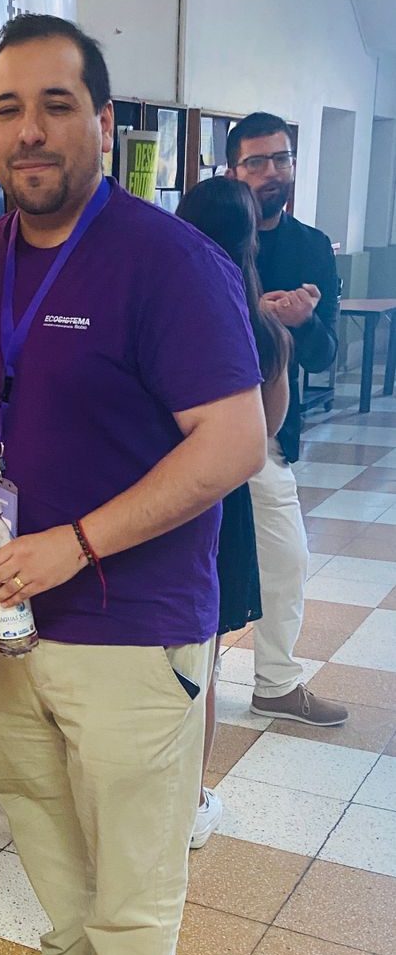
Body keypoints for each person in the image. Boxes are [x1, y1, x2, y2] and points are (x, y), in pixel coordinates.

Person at [0, 16, 266, 955]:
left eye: (56, 105)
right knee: (37, 812)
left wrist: (78, 544)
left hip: (130, 623)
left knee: (134, 857)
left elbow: (233, 441)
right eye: (9, 108)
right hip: (11, 615)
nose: (30, 131)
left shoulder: (164, 259)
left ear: (102, 120)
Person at [177, 177, 291, 848]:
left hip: (158, 499)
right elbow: (263, 434)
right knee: (204, 664)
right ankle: (190, 802)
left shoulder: (161, 314)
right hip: (225, 505)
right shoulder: (263, 330)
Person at [227, 112, 347, 727]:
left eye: (281, 159)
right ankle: (176, 683)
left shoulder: (310, 247)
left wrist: (301, 321)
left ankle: (276, 682)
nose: (271, 172)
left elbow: (326, 356)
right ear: (233, 171)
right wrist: (257, 314)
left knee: (286, 556)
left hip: (268, 432)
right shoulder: (208, 233)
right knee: (187, 558)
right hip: (191, 431)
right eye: (257, 162)